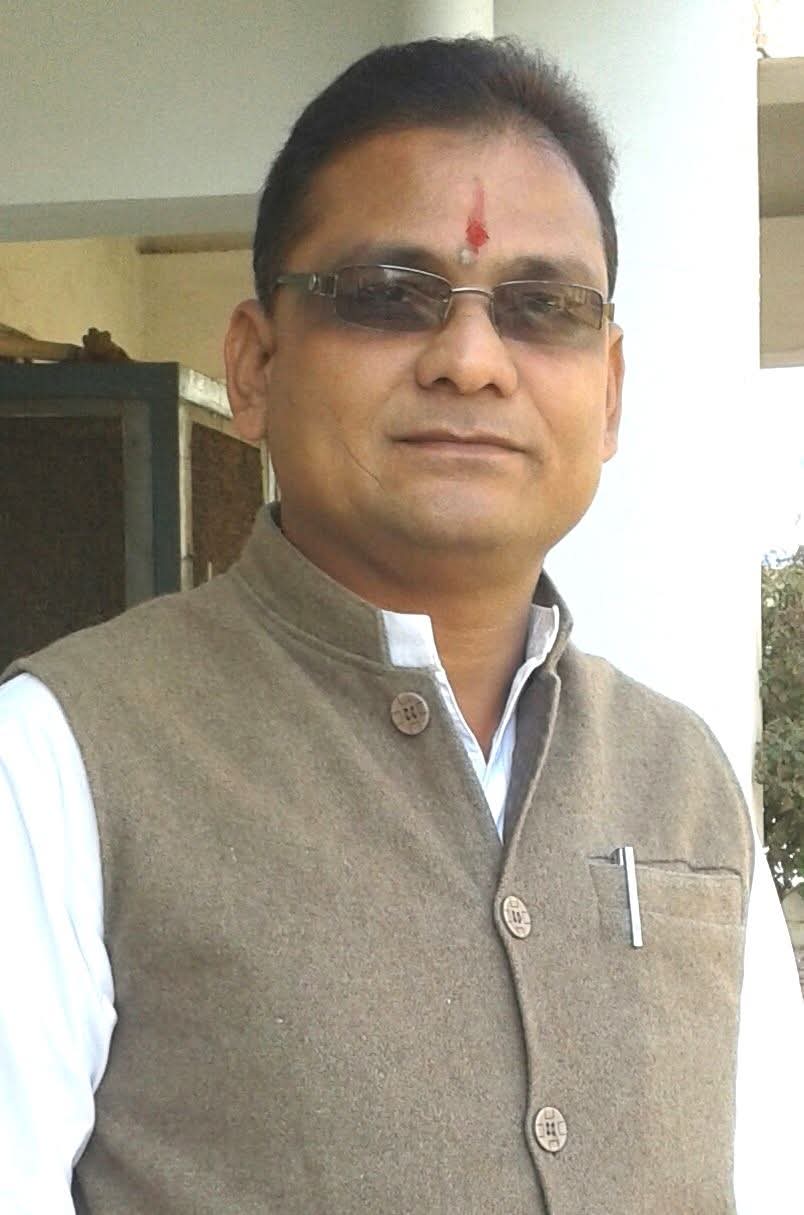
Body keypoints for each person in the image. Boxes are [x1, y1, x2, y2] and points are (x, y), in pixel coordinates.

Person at [0, 36, 801, 1215]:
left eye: (544, 307)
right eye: (388, 294)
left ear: (610, 391)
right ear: (255, 365)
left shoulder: (683, 779)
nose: (471, 361)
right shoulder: (59, 762)